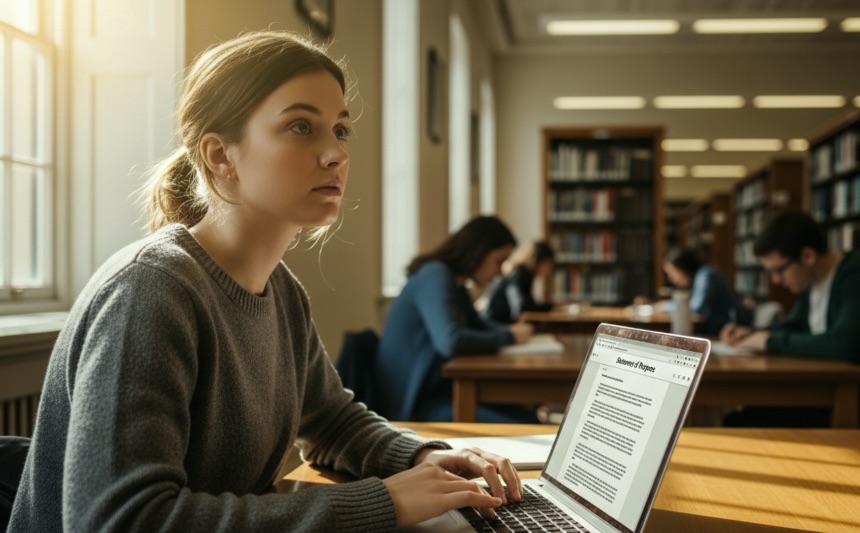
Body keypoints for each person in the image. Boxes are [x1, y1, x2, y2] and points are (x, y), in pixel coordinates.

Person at [8, 31, 524, 532]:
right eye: (302, 127)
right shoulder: (151, 290)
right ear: (219, 155)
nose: (336, 154)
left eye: (340, 130)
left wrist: (429, 455)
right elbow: (120, 520)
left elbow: (332, 421)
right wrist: (380, 502)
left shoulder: (281, 291)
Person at [375, 215, 538, 423]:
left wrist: (513, 332)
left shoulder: (456, 283)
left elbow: (478, 325)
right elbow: (451, 341)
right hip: (415, 405)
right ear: (478, 251)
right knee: (524, 424)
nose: (500, 273)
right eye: (499, 261)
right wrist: (510, 336)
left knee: (527, 417)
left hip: (438, 392)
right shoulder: (435, 275)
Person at [720, 210, 860, 361]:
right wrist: (750, 333)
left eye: (779, 270)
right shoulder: (809, 280)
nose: (775, 280)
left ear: (808, 256)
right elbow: (793, 327)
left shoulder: (854, 275)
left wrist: (768, 341)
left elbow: (845, 345)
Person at [661, 246, 752, 335]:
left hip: (731, 330)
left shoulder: (705, 275)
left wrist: (665, 306)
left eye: (672, 272)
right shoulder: (699, 277)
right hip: (719, 329)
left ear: (683, 267)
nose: (671, 279)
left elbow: (697, 306)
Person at [481, 240, 556, 324]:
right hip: (494, 324)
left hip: (498, 322)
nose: (549, 270)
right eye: (548, 264)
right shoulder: (518, 273)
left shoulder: (525, 274)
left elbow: (528, 304)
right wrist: (552, 307)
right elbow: (522, 307)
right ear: (538, 260)